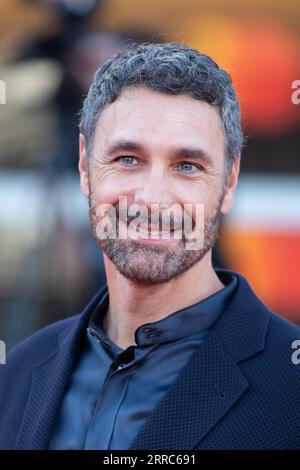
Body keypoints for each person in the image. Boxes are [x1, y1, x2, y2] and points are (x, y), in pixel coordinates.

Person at [0, 42, 299, 450]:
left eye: (187, 166)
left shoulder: (290, 387)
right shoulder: (18, 373)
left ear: (229, 183)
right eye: (127, 158)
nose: (152, 199)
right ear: (86, 167)